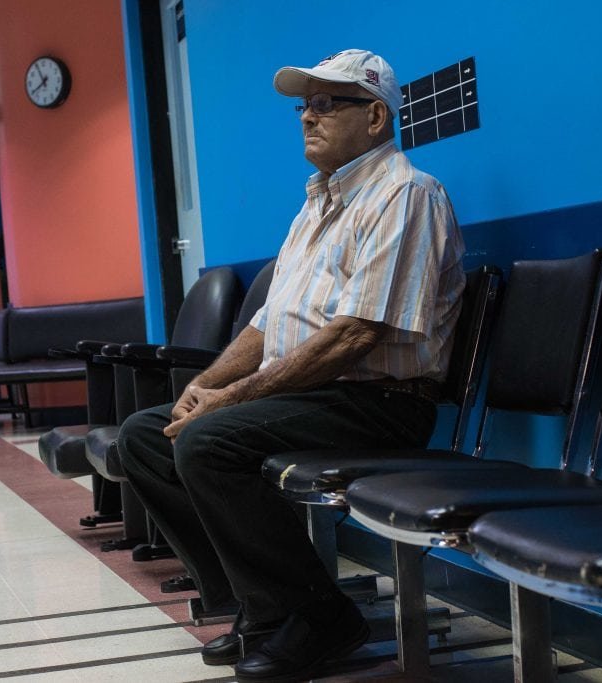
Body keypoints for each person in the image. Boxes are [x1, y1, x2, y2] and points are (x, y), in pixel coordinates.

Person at [117, 49, 466, 682]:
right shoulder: (314, 205)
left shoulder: (406, 195)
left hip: (381, 403)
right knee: (145, 436)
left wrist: (233, 399)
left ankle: (318, 617)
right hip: (314, 397)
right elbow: (267, 323)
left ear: (375, 118)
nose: (307, 116)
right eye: (305, 105)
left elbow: (355, 334)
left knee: (207, 441)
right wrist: (205, 384)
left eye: (326, 103)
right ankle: (263, 611)